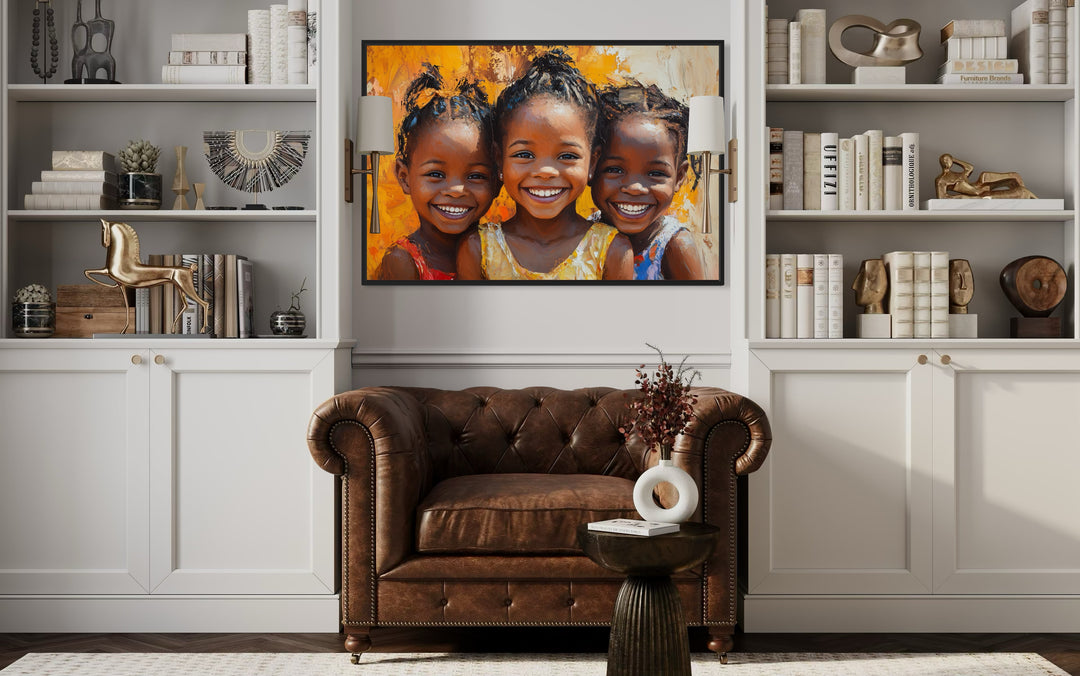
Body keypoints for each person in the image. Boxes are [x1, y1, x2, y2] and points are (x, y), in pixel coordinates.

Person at [456, 49, 633, 280]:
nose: (545, 172)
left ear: (593, 162)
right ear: (499, 160)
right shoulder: (478, 249)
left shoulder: (612, 251)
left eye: (567, 156)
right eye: (525, 154)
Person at [376, 64, 499, 280]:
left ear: (498, 180)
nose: (455, 190)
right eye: (436, 174)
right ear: (404, 177)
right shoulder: (402, 262)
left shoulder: (501, 254)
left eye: (476, 176)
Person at [591, 82, 704, 280]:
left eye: (655, 173)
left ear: (679, 177)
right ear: (591, 168)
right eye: (615, 169)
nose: (635, 188)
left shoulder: (674, 245)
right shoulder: (585, 237)